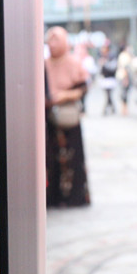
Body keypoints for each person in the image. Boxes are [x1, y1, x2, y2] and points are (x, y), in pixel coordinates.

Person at [44, 26, 90, 208]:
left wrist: (64, 96)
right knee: (51, 159)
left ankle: (74, 197)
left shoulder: (73, 63)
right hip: (50, 120)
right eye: (50, 39)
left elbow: (82, 88)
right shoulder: (44, 64)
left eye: (56, 40)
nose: (52, 44)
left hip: (68, 120)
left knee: (72, 159)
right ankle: (53, 196)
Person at [115, 44, 133, 116]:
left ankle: (124, 108)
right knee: (124, 93)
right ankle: (124, 109)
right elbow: (125, 67)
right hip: (124, 77)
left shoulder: (122, 55)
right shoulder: (125, 55)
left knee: (124, 93)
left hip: (122, 76)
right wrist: (126, 78)